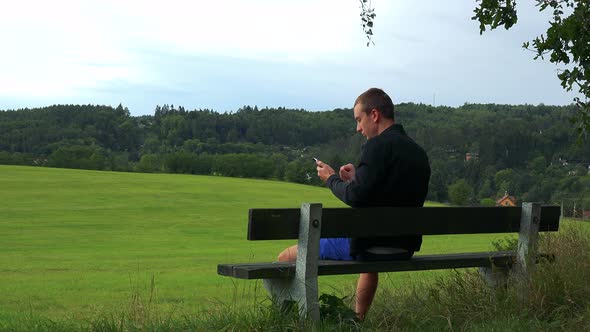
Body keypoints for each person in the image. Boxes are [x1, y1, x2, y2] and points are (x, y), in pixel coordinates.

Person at [277, 87, 431, 320]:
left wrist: (332, 179)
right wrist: (358, 177)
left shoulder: (376, 146)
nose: (358, 128)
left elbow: (356, 198)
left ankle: (297, 320)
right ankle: (358, 319)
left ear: (375, 115)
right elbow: (389, 192)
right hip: (404, 247)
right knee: (367, 256)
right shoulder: (418, 152)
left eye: (359, 120)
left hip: (372, 246)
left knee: (286, 257)